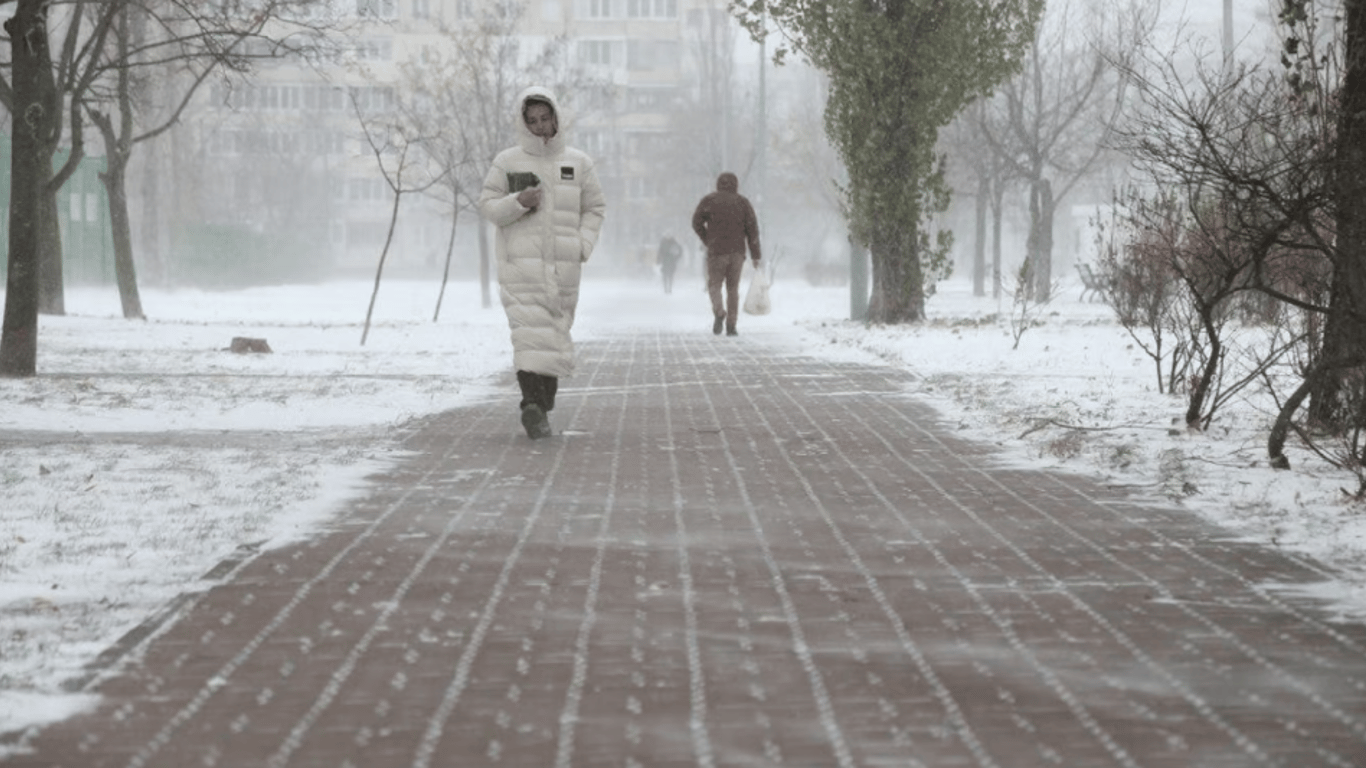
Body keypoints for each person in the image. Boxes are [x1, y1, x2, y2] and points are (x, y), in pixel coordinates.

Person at [478, 86, 606, 439]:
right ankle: (531, 405)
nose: (539, 127)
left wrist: (582, 244)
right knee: (527, 336)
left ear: (555, 118)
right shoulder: (507, 162)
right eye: (531, 121)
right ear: (523, 123)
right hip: (520, 265)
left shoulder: (578, 163)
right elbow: (489, 206)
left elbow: (595, 207)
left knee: (553, 334)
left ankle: (542, 405)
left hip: (564, 267)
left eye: (544, 119)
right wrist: (518, 201)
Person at [691, 171, 761, 336]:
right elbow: (753, 230)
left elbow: (696, 222)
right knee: (733, 289)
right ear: (736, 185)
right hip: (737, 252)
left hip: (717, 251)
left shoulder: (709, 201)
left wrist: (707, 239)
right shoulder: (743, 203)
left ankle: (719, 311)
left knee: (714, 285)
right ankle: (731, 325)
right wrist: (756, 255)